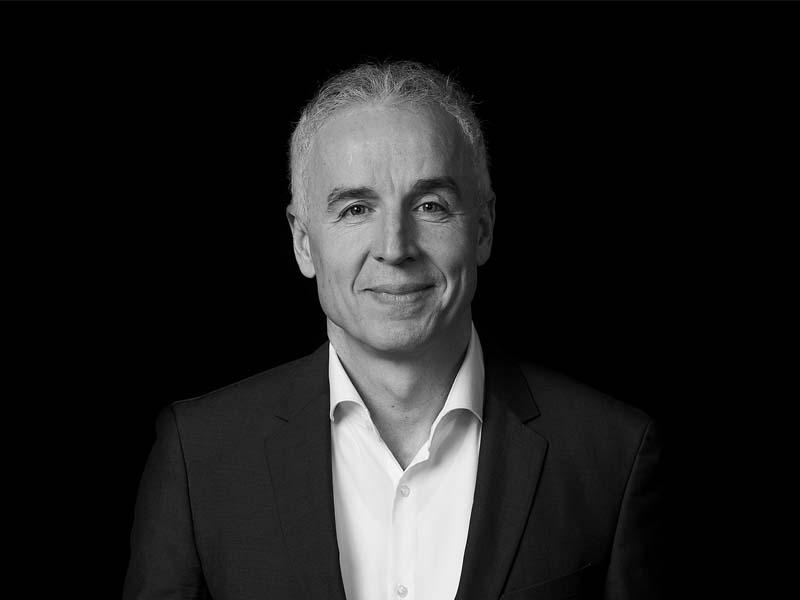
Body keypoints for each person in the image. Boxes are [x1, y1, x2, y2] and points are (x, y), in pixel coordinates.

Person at [123, 61, 665, 600]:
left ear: (482, 229)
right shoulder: (199, 456)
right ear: (303, 242)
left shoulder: (611, 453)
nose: (395, 247)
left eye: (430, 206)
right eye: (356, 208)